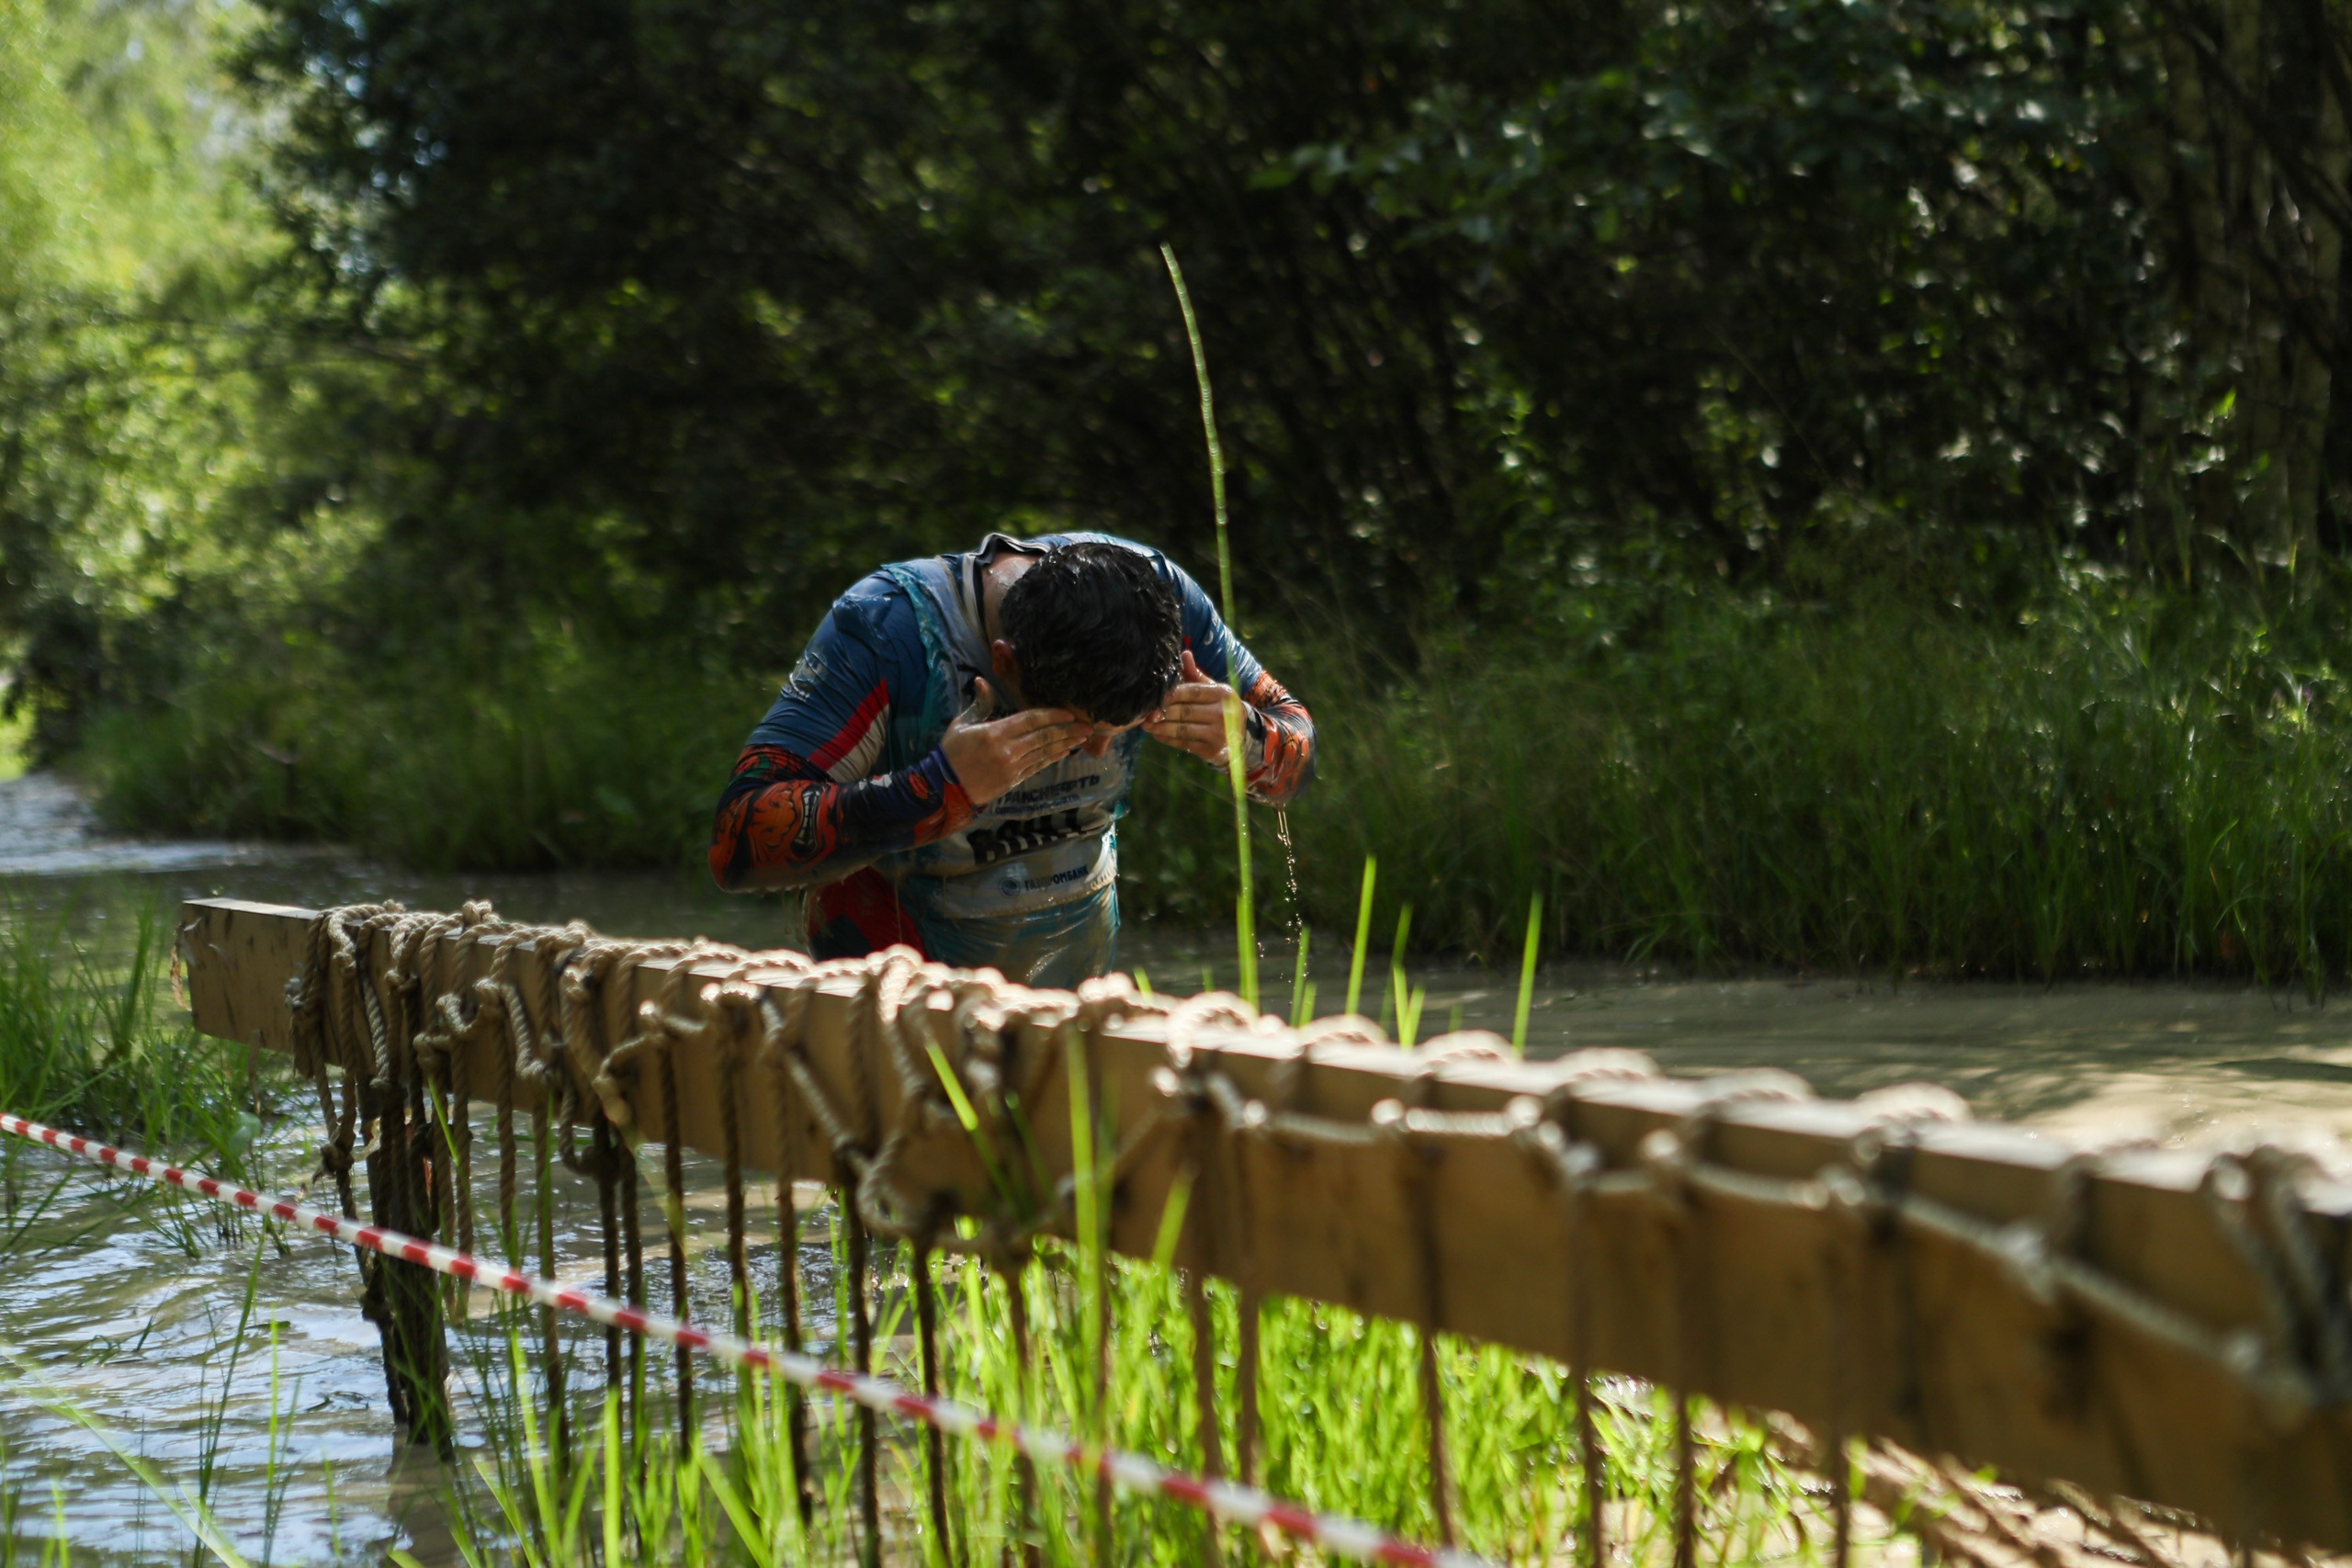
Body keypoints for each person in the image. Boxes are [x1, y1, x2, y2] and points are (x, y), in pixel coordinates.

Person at [708, 532, 1316, 986]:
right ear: (1004, 663)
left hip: (1071, 1000)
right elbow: (736, 838)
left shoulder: (1157, 597)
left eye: (1126, 729)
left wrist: (1251, 739)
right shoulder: (886, 628)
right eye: (1074, 727)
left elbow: (1298, 746)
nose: (1101, 750)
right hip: (891, 1000)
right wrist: (936, 788)